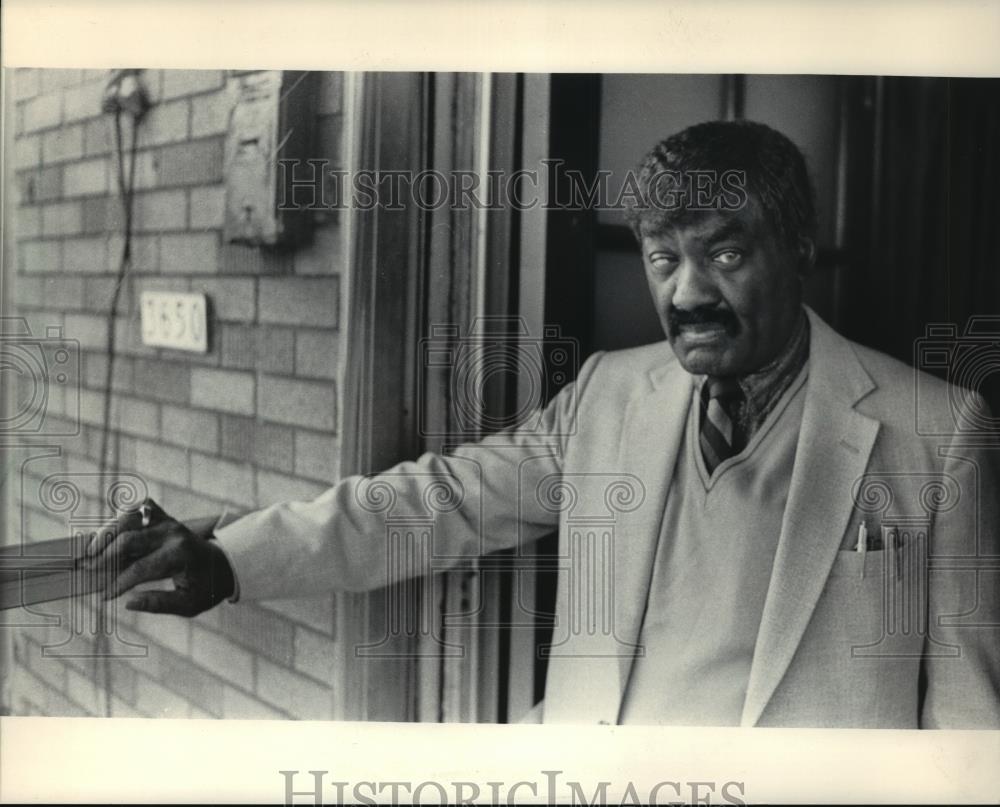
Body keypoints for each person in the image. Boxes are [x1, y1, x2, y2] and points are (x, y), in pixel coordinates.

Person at [86, 121, 1000, 728]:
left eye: (724, 252)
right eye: (662, 258)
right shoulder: (609, 393)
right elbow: (433, 501)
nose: (687, 295)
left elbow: (967, 714)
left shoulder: (937, 429)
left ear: (799, 250)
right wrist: (230, 558)